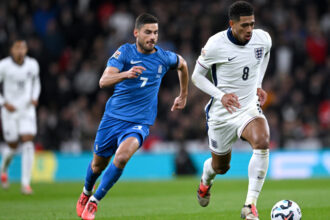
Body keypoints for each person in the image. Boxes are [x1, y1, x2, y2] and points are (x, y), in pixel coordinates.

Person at [76, 13, 189, 220]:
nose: (152, 37)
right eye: (148, 32)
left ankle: (94, 202)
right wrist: (125, 74)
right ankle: (86, 192)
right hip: (112, 119)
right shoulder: (124, 53)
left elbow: (182, 64)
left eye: (155, 32)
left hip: (139, 123)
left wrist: (183, 95)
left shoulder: (163, 57)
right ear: (136, 33)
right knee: (97, 165)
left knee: (121, 158)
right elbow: (103, 80)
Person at [191, 1, 271, 220]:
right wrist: (221, 95)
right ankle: (206, 182)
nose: (249, 30)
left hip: (248, 107)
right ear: (232, 24)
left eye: (252, 24)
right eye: (244, 25)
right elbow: (196, 76)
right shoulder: (216, 44)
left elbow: (265, 54)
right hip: (221, 114)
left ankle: (249, 206)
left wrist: (259, 83)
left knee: (262, 141)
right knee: (220, 167)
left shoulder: (262, 39)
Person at [0, 39, 41, 195]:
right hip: (9, 111)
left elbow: (36, 82)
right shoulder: (3, 66)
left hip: (26, 109)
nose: (20, 51)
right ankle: (4, 169)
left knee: (28, 142)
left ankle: (25, 183)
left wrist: (34, 97)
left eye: (22, 48)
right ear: (11, 50)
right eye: (17, 48)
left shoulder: (32, 65)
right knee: (12, 146)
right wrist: (3, 103)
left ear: (26, 50)